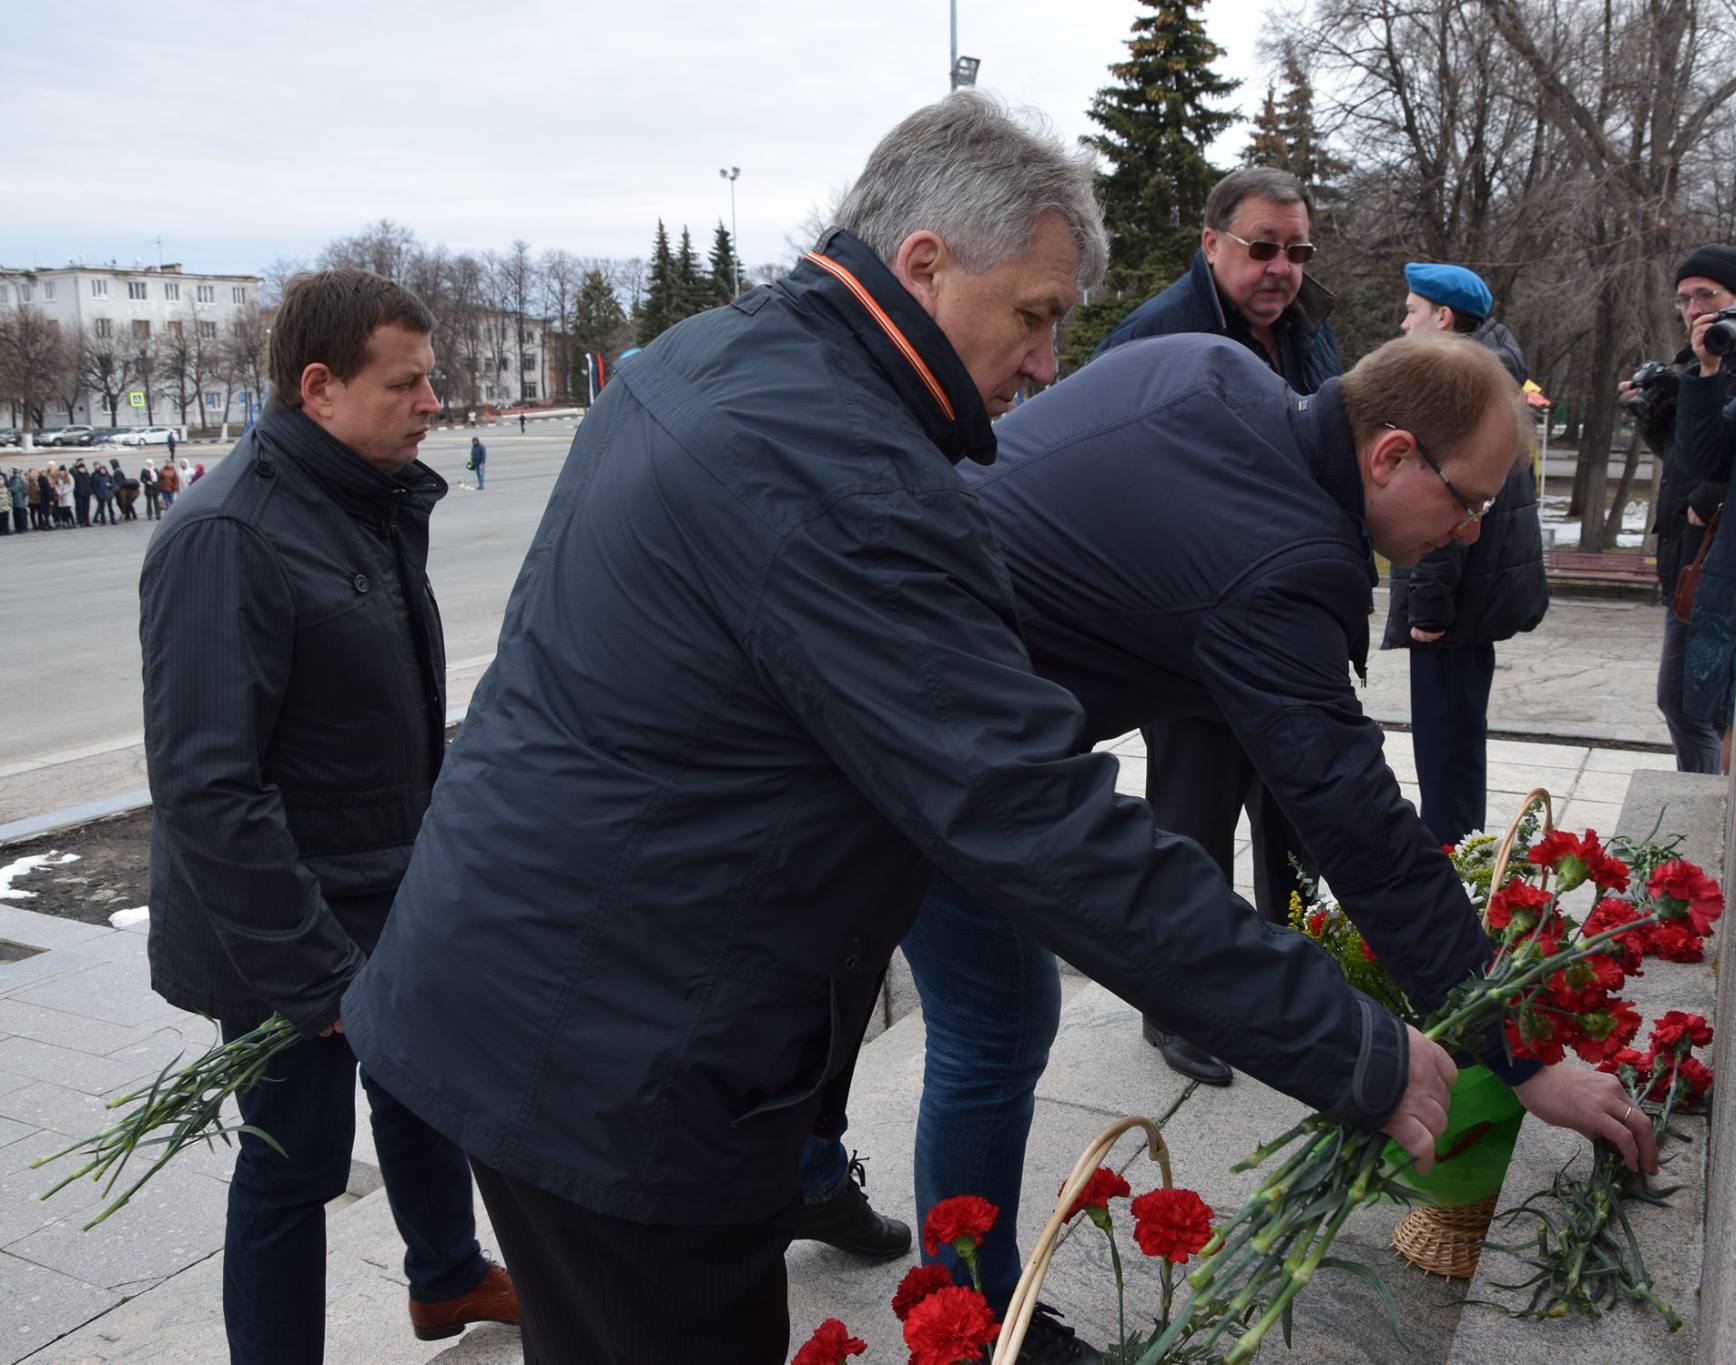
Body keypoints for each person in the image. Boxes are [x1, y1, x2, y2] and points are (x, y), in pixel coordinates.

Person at [342, 94, 1462, 1365]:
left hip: (528, 989)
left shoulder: (714, 352)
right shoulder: (846, 477)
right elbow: (1031, 814)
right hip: (612, 1061)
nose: (1045, 363)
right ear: (924, 260)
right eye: (1035, 315)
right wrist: (1355, 1050)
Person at [810, 333, 1661, 1356]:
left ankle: (808, 1174)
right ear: (1388, 456)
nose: (1474, 531)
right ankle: (978, 1317)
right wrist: (1521, 1059)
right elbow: (1360, 824)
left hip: (875, 665)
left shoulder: (1215, 369)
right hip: (912, 734)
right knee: (997, 1021)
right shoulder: (1282, 561)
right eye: (1466, 499)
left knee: (874, 977)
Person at [140, 269, 518, 1364]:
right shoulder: (230, 535)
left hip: (384, 886)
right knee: (292, 1164)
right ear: (319, 387)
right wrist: (312, 974)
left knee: (423, 1091)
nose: (432, 402)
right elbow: (209, 789)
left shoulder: (363, 499)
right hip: (283, 928)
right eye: (406, 383)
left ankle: (445, 1278)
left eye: (430, 379)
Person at [1087, 165, 1343, 1086]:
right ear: (1211, 243)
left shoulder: (1311, 332)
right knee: (1193, 823)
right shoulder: (1156, 336)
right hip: (1189, 635)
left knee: (1299, 808)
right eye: (1263, 248)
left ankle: (1288, 980)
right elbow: (1107, 482)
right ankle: (1177, 1003)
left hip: (1289, 625)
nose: (1282, 268)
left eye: (1297, 250)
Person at [1382, 263, 1549, 844]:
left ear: (1443, 317)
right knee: (1459, 744)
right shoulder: (1492, 374)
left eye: (1412, 310)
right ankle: (1466, 857)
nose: (1404, 324)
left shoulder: (1456, 386)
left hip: (1452, 607)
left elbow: (1443, 505)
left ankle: (1453, 872)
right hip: (1475, 600)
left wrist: (1426, 608)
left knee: (1445, 750)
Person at [1621, 243, 1736, 773]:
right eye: (1684, 299)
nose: (1694, 308)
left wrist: (1705, 502)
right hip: (1683, 555)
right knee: (1680, 703)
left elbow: (1726, 463)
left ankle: (1700, 799)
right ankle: (1699, 795)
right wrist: (1653, 414)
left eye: (1707, 295)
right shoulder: (1696, 363)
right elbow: (1686, 458)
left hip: (1712, 559)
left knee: (1694, 707)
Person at [1670, 303, 1736, 769]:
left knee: (1732, 734)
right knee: (1725, 725)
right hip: (1732, 584)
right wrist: (1706, 370)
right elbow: (1703, 456)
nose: (1697, 311)